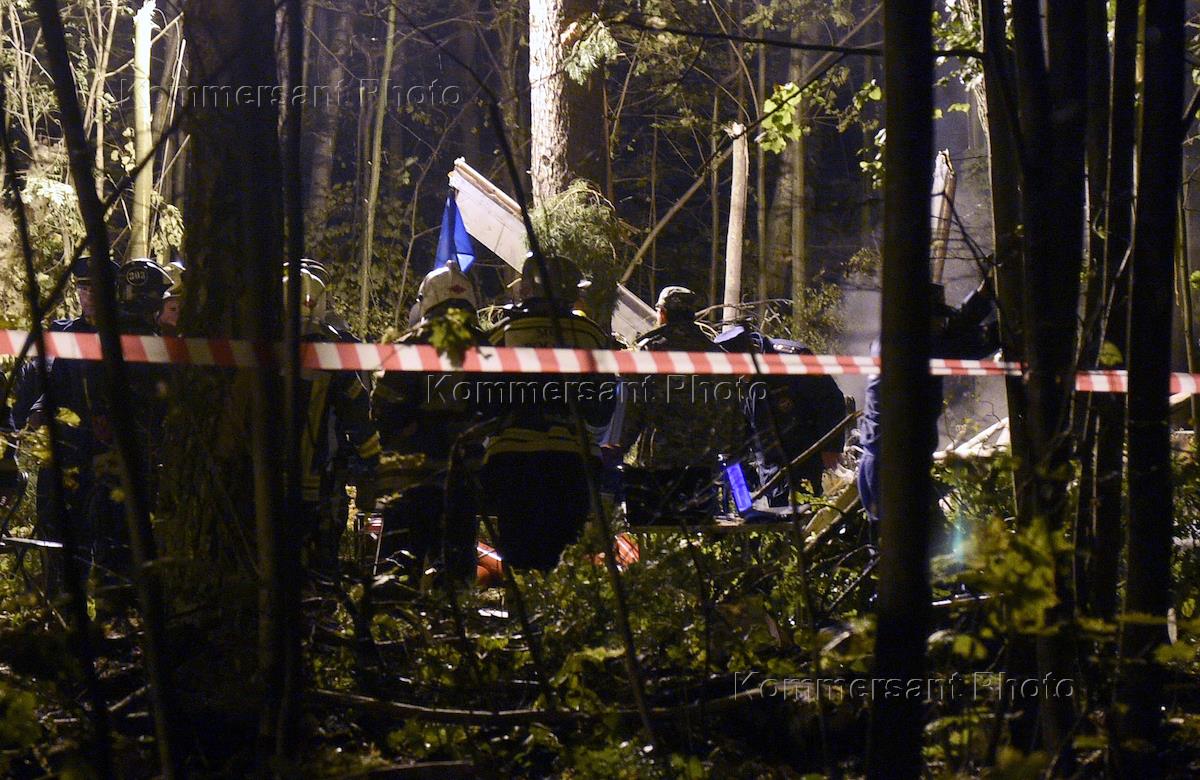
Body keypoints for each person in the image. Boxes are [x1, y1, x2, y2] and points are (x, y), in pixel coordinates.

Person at [481, 253, 614, 571]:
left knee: (519, 560)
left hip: (513, 461)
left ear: (528, 287)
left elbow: (483, 402)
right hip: (573, 460)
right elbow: (601, 409)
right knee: (565, 564)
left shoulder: (501, 334)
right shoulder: (591, 335)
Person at [372, 260, 491, 583]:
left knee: (398, 566)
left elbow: (384, 407)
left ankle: (393, 606)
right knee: (457, 562)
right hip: (464, 472)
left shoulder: (411, 343)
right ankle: (456, 610)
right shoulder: (486, 346)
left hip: (411, 472)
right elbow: (498, 404)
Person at [857, 281, 999, 535]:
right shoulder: (914, 347)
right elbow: (969, 344)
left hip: (888, 463)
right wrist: (1014, 326)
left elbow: (952, 332)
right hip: (893, 469)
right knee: (922, 543)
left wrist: (982, 296)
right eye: (937, 319)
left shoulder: (898, 339)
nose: (942, 324)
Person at [603, 286, 745, 523]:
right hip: (703, 469)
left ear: (663, 314)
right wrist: (732, 454)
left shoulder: (649, 350)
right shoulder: (716, 354)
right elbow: (731, 413)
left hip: (657, 468)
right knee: (697, 524)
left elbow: (632, 409)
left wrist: (617, 448)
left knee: (656, 527)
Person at [285, 262, 381, 574]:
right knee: (320, 556)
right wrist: (374, 464)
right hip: (319, 477)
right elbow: (358, 410)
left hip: (266, 475)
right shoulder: (334, 354)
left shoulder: (253, 348)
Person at [714, 323, 846, 503]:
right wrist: (743, 494)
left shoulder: (792, 358)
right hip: (770, 468)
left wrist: (831, 447)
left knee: (809, 511)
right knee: (775, 509)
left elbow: (831, 400)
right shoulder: (731, 383)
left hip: (806, 456)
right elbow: (736, 438)